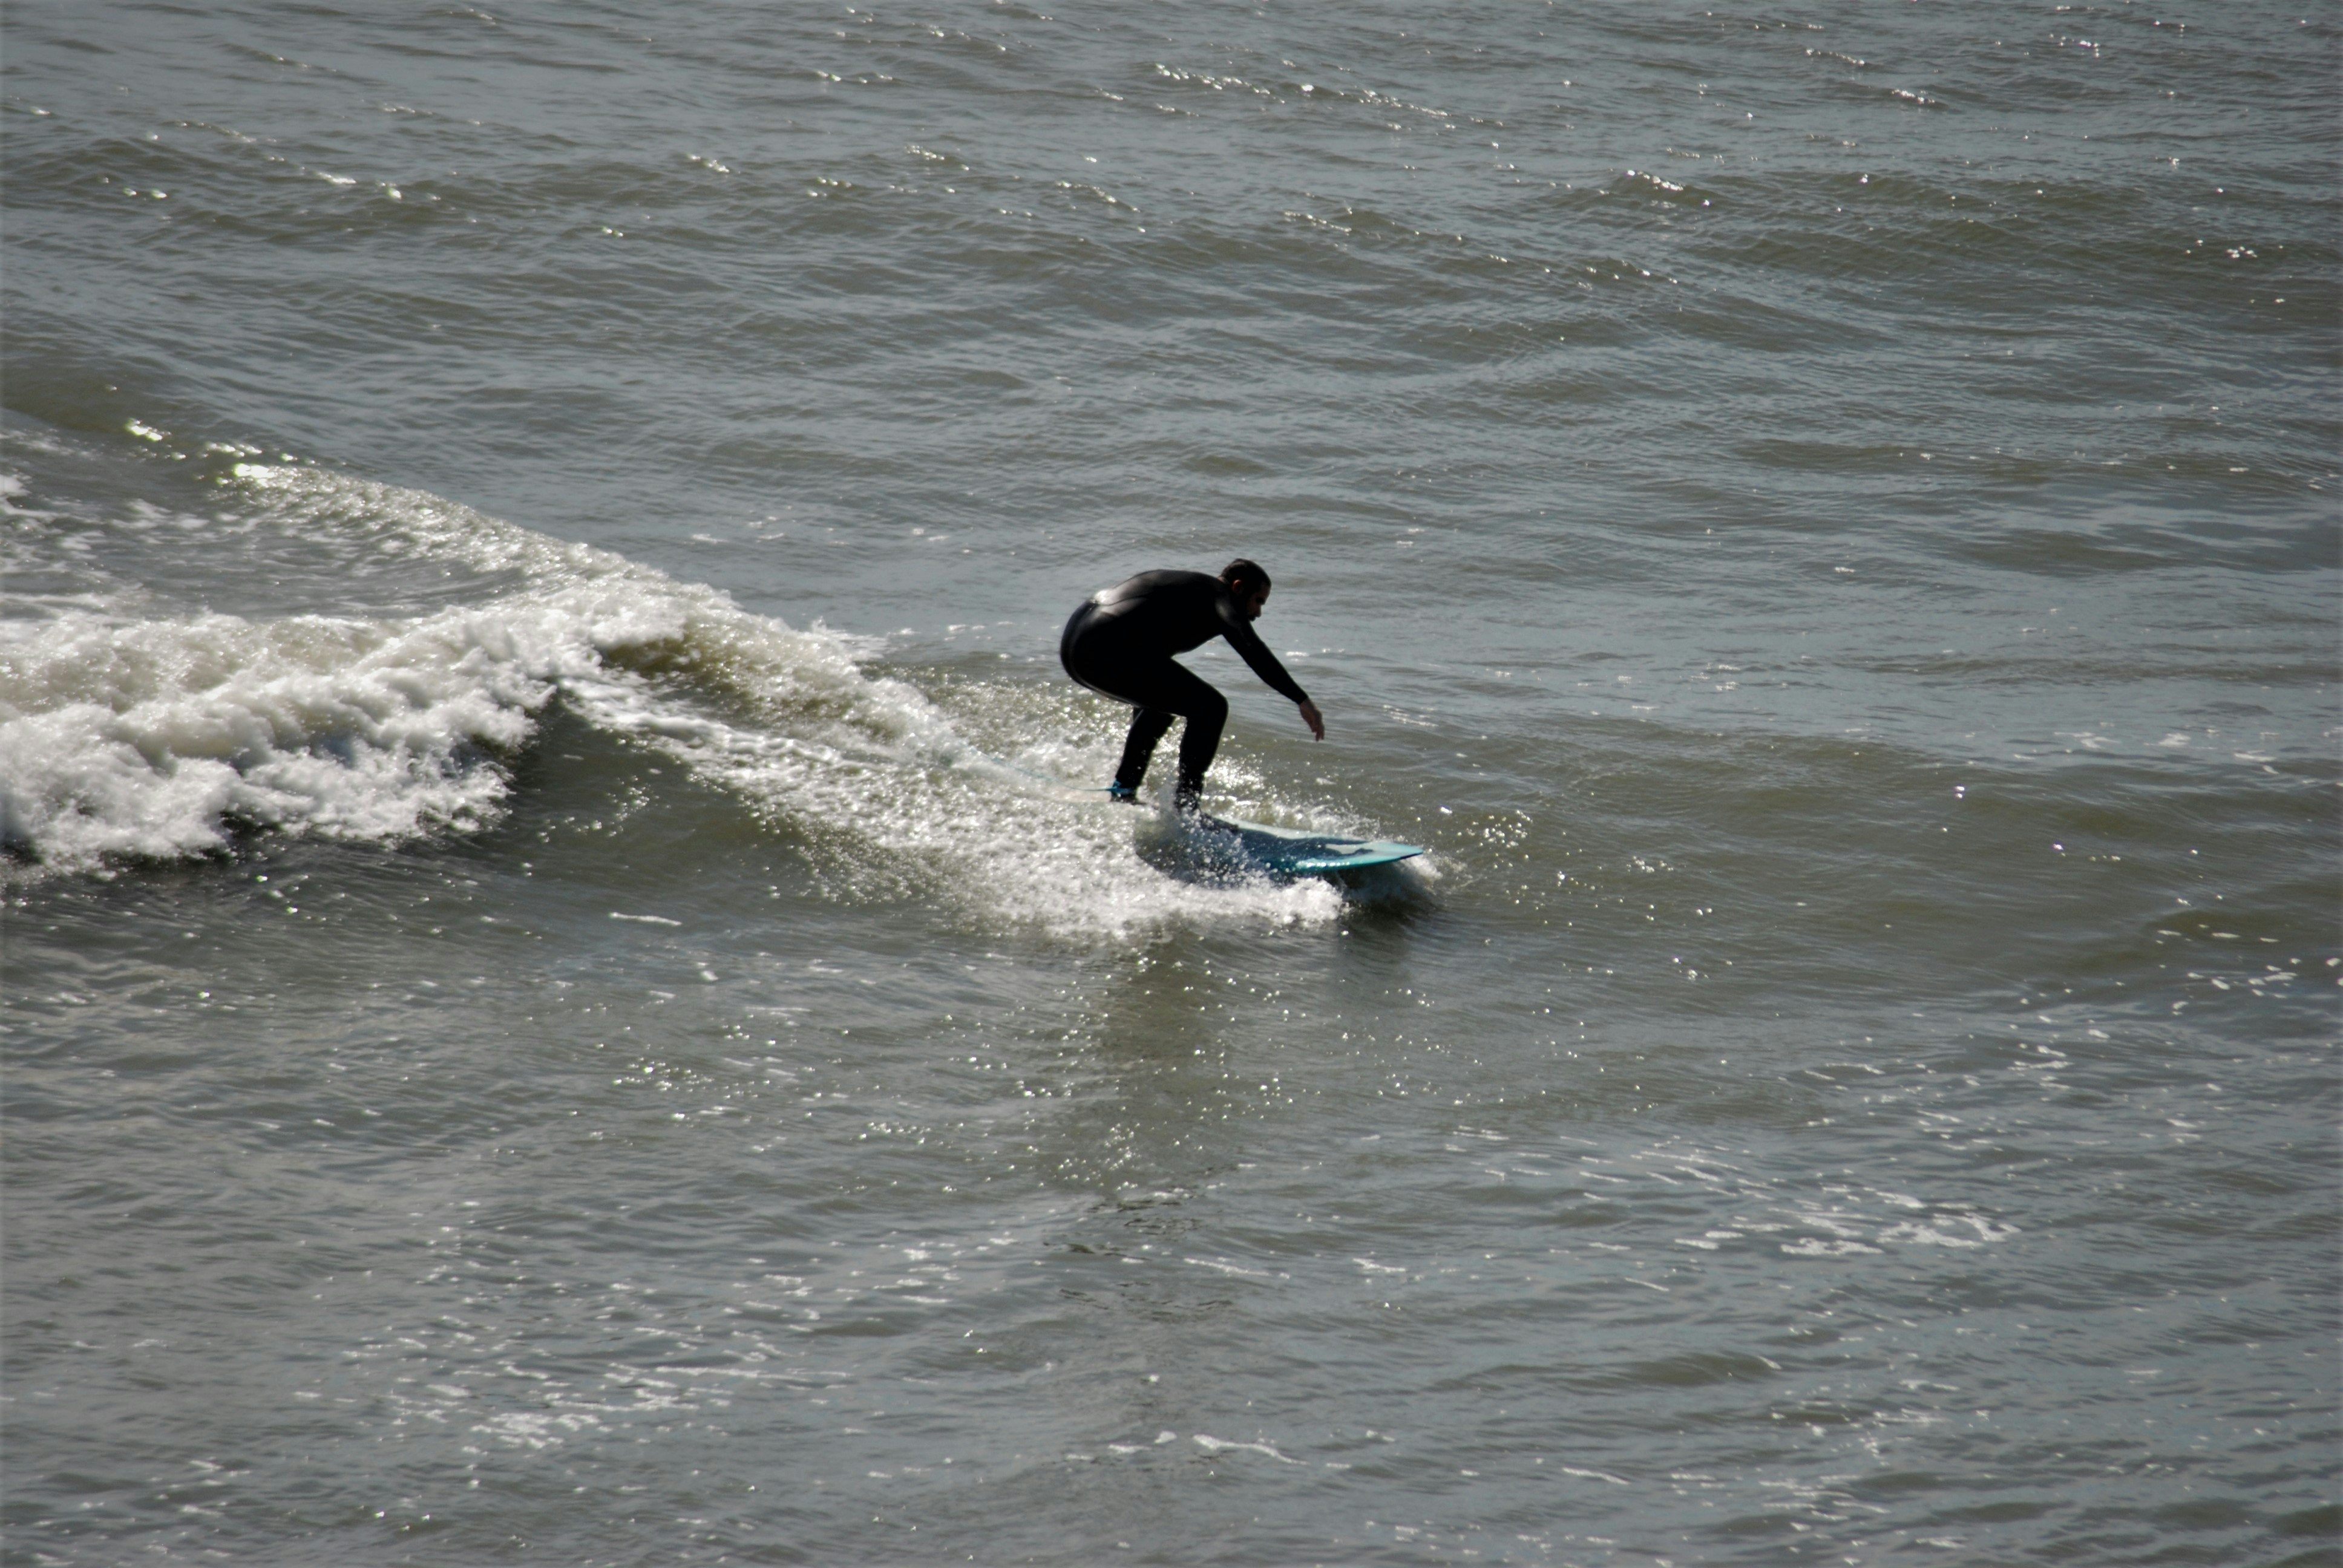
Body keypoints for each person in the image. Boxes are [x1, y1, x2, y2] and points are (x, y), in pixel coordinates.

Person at [1059, 558, 1325, 811]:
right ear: (1238, 588)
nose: (1258, 612)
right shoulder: (1219, 596)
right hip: (1103, 646)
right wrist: (1301, 699)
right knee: (1212, 707)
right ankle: (1187, 808)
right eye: (1258, 601)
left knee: (1160, 706)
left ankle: (1124, 790)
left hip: (1078, 645)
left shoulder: (1191, 592)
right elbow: (1252, 648)